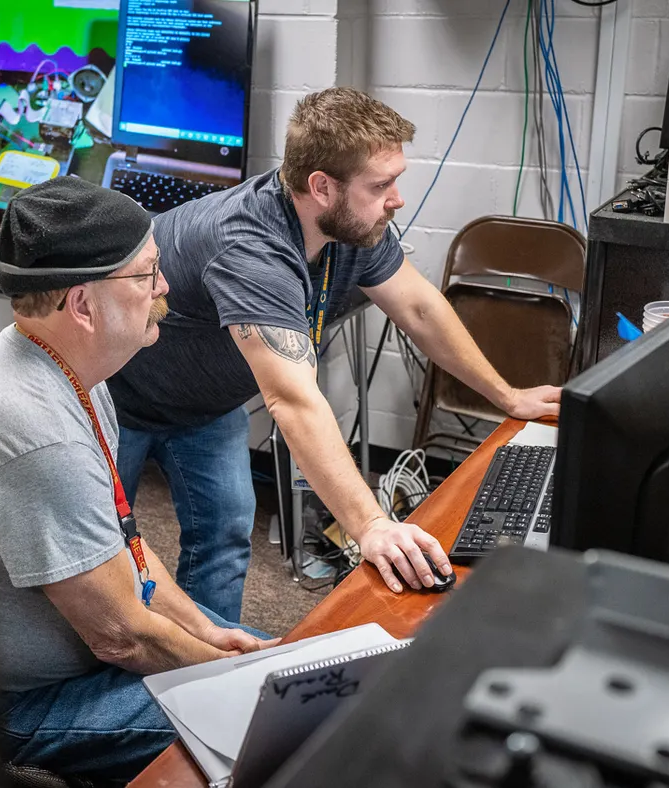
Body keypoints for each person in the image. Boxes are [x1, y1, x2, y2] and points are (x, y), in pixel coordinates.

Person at [108, 87, 562, 622]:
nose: (398, 198)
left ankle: (209, 668)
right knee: (112, 555)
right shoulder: (251, 246)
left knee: (225, 539)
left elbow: (418, 308)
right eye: (382, 184)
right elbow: (294, 401)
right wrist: (370, 526)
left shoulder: (355, 227)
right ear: (321, 186)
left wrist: (507, 395)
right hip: (122, 399)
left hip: (207, 404)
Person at [0, 178, 276, 781]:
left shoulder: (67, 365)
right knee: (268, 719)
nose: (165, 288)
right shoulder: (34, 427)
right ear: (82, 304)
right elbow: (122, 638)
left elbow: (126, 547)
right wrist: (219, 674)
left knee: (287, 672)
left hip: (80, 661)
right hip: (7, 705)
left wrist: (206, 628)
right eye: (147, 275)